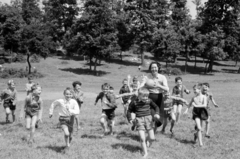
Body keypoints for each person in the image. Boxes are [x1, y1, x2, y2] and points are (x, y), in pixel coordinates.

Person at [127, 88, 160, 158]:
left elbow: (156, 107)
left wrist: (157, 113)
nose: (145, 98)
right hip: (139, 120)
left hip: (149, 119)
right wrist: (129, 119)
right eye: (144, 96)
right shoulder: (134, 102)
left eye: (147, 96)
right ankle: (145, 153)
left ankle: (148, 141)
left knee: (152, 138)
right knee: (142, 138)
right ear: (139, 96)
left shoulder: (149, 101)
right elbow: (129, 111)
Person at [140, 62, 169, 132]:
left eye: (155, 67)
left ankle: (153, 132)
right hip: (150, 97)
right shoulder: (147, 77)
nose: (154, 69)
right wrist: (142, 84)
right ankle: (149, 130)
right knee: (152, 115)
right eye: (152, 67)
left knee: (158, 116)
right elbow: (141, 86)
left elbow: (167, 88)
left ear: (158, 68)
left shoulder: (162, 77)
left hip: (159, 97)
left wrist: (158, 85)